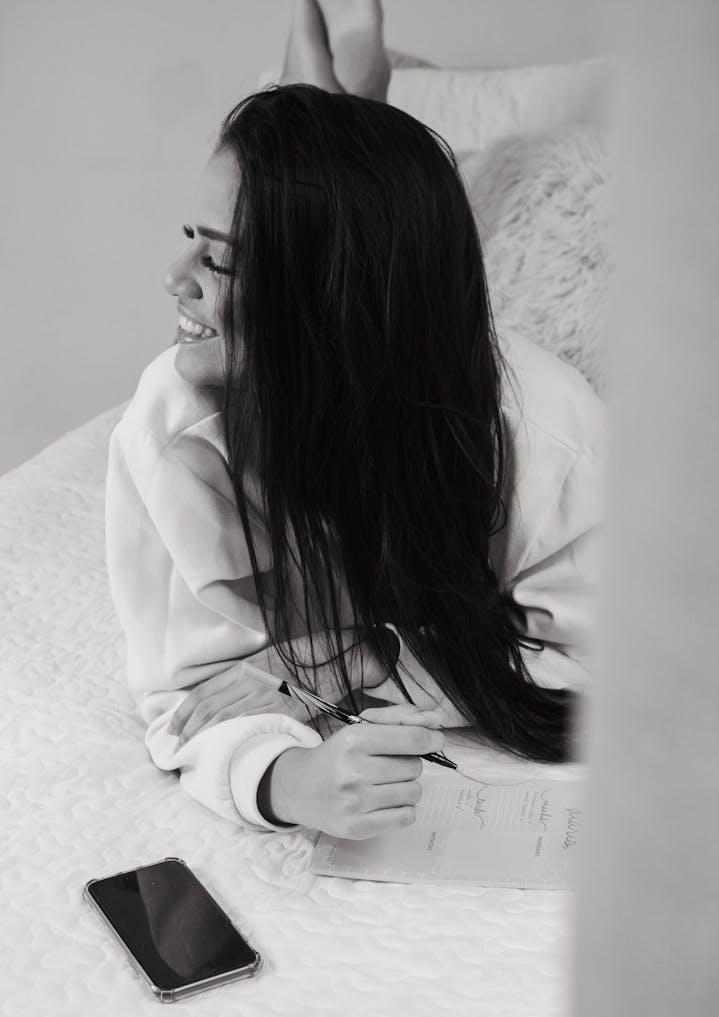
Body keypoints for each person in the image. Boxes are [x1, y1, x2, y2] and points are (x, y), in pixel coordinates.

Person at [105, 0, 605, 839]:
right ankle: (345, 95)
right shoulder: (168, 434)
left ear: (319, 301)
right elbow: (187, 696)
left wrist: (342, 659)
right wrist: (288, 780)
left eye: (216, 258)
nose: (171, 277)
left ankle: (347, 95)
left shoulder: (556, 435)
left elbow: (595, 669)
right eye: (188, 236)